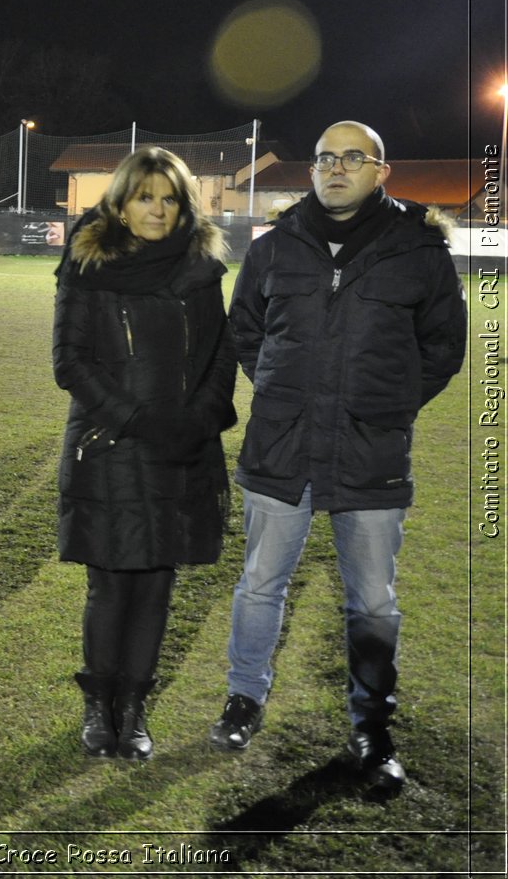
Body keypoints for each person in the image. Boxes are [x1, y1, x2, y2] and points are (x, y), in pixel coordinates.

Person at [209, 121, 465, 793]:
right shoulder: (276, 246)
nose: (337, 167)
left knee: (373, 601)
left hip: (370, 452)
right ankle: (244, 698)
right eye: (326, 157)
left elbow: (443, 347)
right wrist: (280, 390)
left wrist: (388, 405)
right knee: (260, 581)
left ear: (382, 170)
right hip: (282, 447)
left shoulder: (418, 248)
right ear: (314, 168)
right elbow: (245, 331)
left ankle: (373, 725)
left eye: (354, 157)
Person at [53, 147, 236, 761]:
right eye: (145, 197)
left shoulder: (201, 268)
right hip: (111, 446)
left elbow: (219, 358)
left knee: (157, 585)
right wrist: (135, 419)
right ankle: (96, 709)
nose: (158, 209)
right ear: (121, 204)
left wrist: (200, 420)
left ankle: (132, 711)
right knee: (109, 586)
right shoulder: (87, 263)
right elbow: (69, 362)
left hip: (183, 449)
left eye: (170, 198)